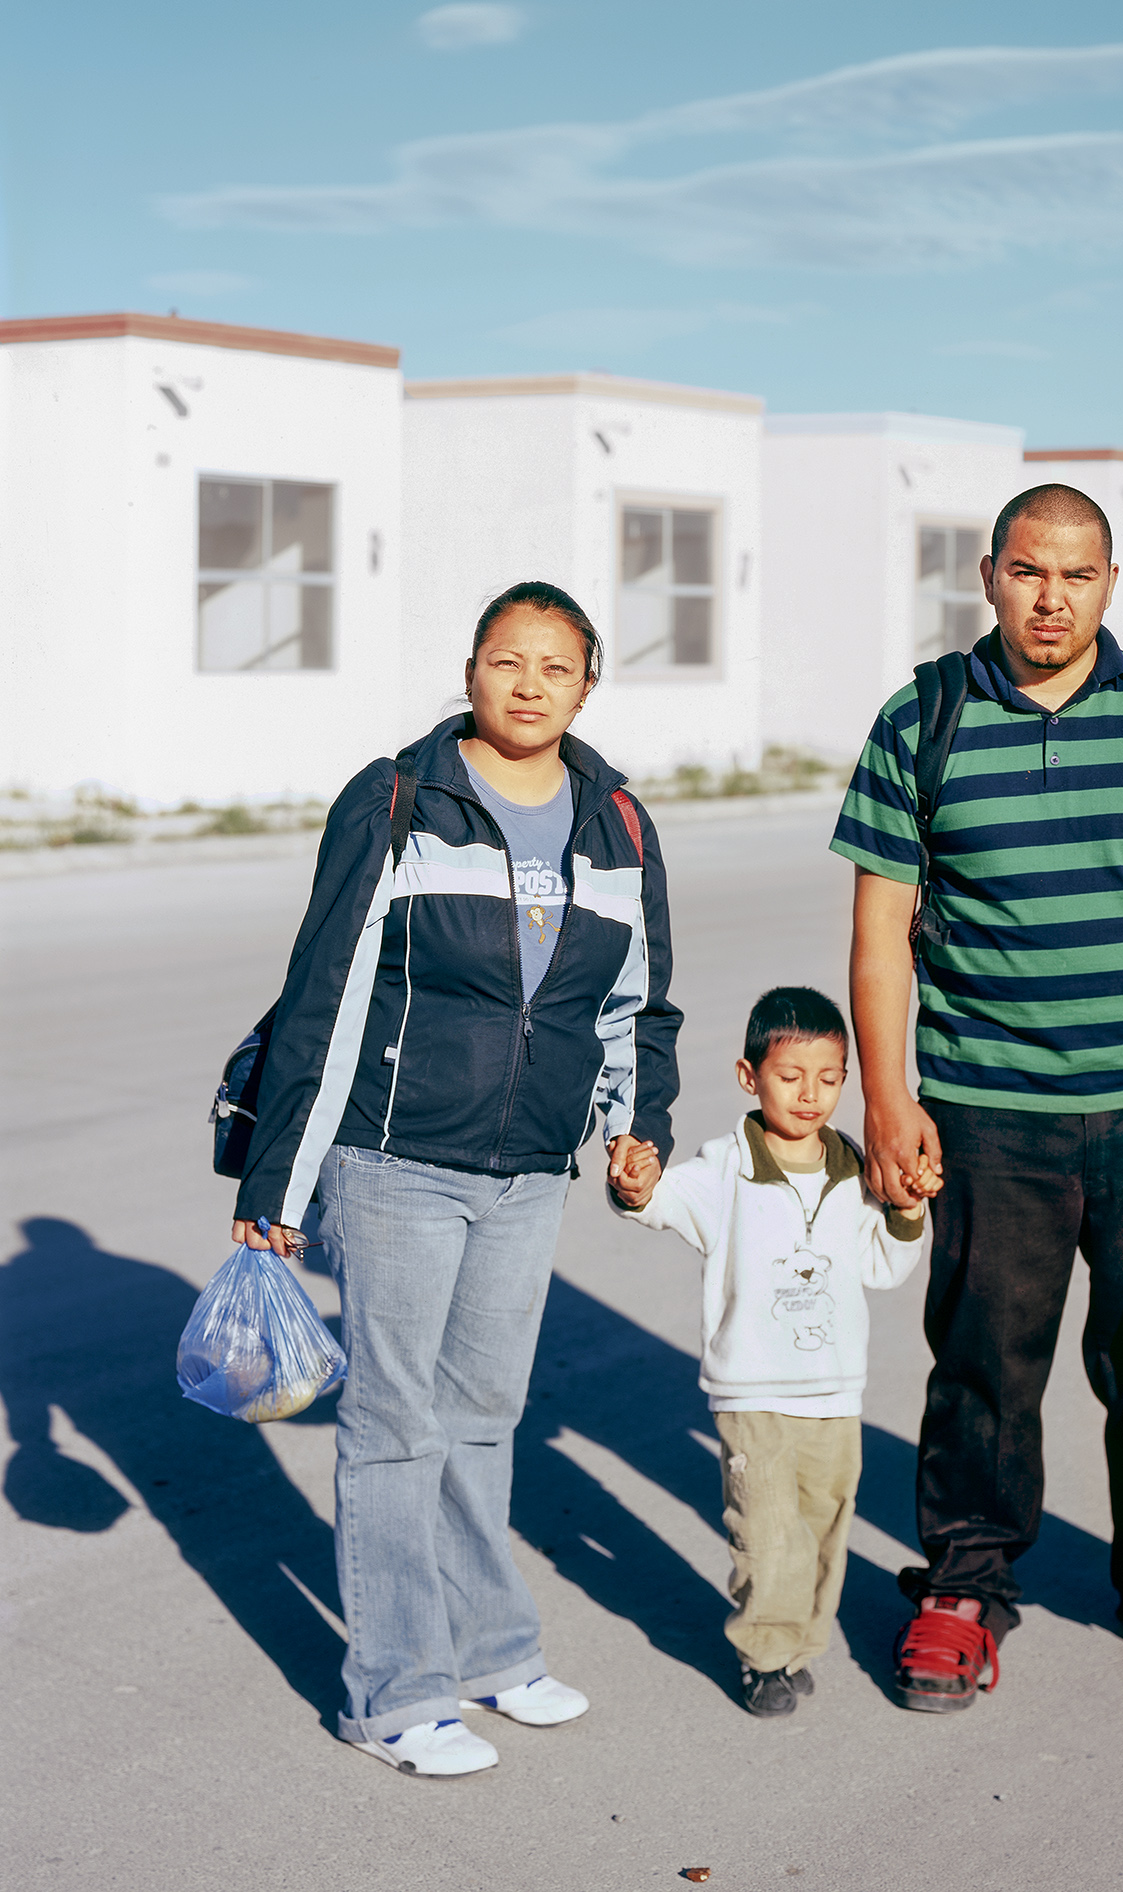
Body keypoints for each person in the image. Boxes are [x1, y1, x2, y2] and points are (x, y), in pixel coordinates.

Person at [832, 484, 1123, 1710]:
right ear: (989, 574)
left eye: (1076, 576)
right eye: (1029, 571)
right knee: (984, 1363)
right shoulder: (922, 718)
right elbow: (880, 934)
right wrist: (888, 1099)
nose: (1051, 597)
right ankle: (967, 1585)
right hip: (990, 1110)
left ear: (1110, 584)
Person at [231, 580, 681, 1776]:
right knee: (393, 1422)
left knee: (485, 1416)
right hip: (396, 1159)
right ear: (470, 670)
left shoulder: (618, 822)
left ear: (590, 683)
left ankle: (492, 1649)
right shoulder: (398, 800)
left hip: (528, 1167)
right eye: (504, 659)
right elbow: (324, 999)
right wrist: (279, 1185)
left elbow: (636, 1003)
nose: (527, 683)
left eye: (555, 665)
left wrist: (638, 1130)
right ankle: (393, 1693)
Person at [610, 988, 937, 1715]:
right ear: (748, 1075)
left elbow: (884, 1267)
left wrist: (910, 1210)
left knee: (823, 1530)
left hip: (835, 1393)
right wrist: (637, 1185)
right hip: (753, 1395)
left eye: (829, 1077)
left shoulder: (855, 1171)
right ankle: (763, 1655)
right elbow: (661, 1204)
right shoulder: (723, 1167)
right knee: (764, 1534)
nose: (810, 1094)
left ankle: (799, 1643)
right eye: (791, 1076)